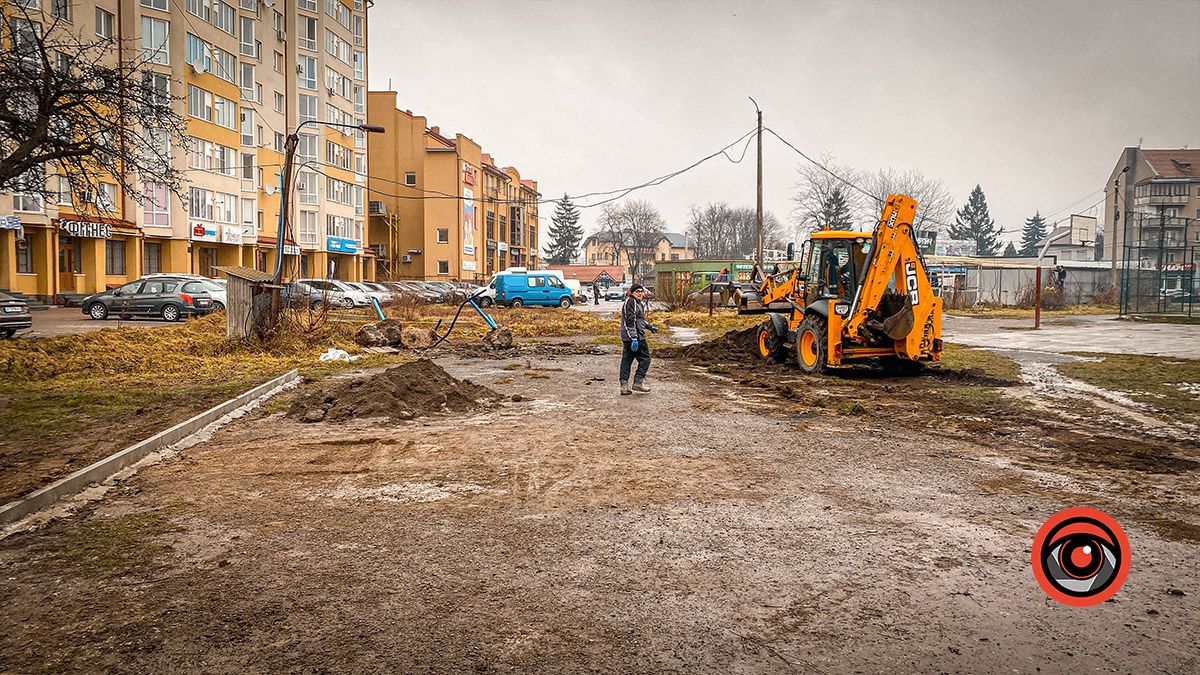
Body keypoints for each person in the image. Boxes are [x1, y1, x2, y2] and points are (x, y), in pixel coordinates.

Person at [619, 284, 657, 395]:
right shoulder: (631, 302)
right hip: (634, 337)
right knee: (645, 358)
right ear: (631, 292)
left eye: (641, 291)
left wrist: (649, 327)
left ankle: (624, 387)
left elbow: (639, 320)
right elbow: (629, 322)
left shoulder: (637, 303)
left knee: (627, 359)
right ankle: (638, 382)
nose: (640, 293)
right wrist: (634, 338)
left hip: (632, 336)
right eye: (637, 291)